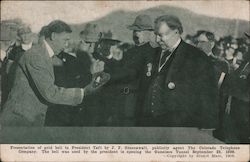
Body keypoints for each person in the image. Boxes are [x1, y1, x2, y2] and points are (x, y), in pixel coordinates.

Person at [0, 20, 108, 126]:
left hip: (29, 120)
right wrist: (84, 92)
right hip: (20, 121)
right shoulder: (36, 55)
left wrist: (91, 75)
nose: (66, 45)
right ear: (54, 36)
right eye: (65, 40)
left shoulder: (47, 56)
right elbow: (50, 93)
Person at [138, 15, 219, 128]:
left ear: (176, 32)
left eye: (162, 35)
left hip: (179, 126)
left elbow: (207, 96)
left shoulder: (196, 57)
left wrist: (206, 127)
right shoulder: (152, 54)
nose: (157, 40)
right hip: (149, 124)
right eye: (156, 35)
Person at [218, 32, 250, 143]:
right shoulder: (246, 63)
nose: (247, 47)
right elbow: (234, 78)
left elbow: (247, 94)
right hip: (235, 115)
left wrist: (229, 82)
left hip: (245, 118)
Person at [1, 26, 35, 106]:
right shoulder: (13, 51)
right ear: (19, 36)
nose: (25, 36)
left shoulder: (38, 49)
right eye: (22, 34)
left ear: (31, 34)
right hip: (17, 87)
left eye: (27, 33)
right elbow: (8, 71)